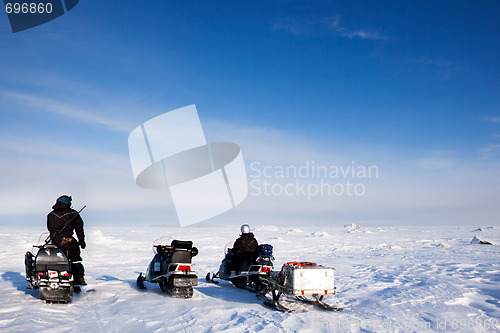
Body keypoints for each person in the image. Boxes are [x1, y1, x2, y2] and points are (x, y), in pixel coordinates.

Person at [47, 195, 87, 287]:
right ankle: (79, 279)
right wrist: (81, 241)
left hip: (55, 242)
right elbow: (79, 229)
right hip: (69, 242)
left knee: (57, 259)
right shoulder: (73, 214)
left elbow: (50, 229)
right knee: (75, 260)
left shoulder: (51, 215)